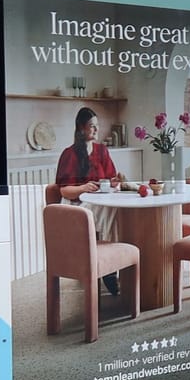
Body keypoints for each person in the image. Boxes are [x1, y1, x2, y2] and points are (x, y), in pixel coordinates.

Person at [53, 106, 124, 295]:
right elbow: (64, 190)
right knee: (107, 208)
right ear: (81, 128)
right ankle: (109, 269)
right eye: (92, 126)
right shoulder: (69, 154)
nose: (96, 130)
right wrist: (84, 188)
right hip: (76, 205)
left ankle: (111, 262)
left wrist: (115, 182)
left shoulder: (102, 151)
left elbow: (110, 180)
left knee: (113, 208)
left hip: (98, 202)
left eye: (97, 126)